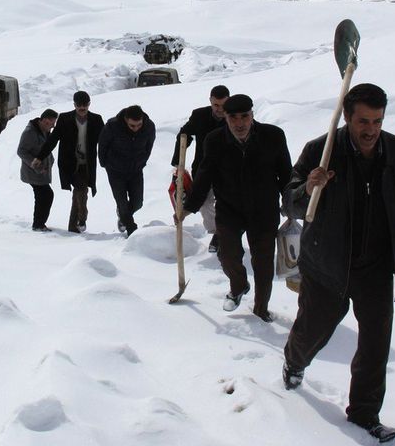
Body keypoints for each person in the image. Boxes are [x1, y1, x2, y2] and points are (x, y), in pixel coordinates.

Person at [281, 83, 395, 443]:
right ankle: (294, 362)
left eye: (377, 121)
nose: (370, 129)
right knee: (313, 330)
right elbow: (290, 206)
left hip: (378, 268)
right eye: (363, 121)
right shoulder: (321, 152)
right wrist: (309, 188)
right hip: (327, 265)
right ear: (347, 118)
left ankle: (364, 413)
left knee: (375, 345)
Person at [181, 94, 291, 322]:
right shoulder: (215, 140)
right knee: (227, 255)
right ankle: (239, 286)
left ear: (252, 115)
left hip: (263, 210)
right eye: (233, 118)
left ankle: (261, 308)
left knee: (262, 263)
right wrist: (188, 207)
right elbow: (204, 176)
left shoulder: (273, 136)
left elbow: (286, 174)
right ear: (225, 117)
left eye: (245, 116)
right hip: (229, 209)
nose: (239, 123)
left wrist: (291, 204)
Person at [35, 91, 105, 233]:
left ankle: (73, 227)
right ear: (74, 104)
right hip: (69, 164)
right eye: (79, 105)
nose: (82, 108)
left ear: (89, 104)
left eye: (84, 105)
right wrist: (40, 157)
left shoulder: (96, 120)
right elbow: (53, 140)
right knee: (81, 190)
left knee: (80, 192)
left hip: (87, 164)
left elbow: (104, 141)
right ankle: (82, 217)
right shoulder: (65, 119)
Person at [172, 84, 230, 252]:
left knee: (225, 203)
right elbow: (184, 133)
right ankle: (216, 232)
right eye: (215, 105)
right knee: (205, 204)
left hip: (228, 170)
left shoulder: (234, 116)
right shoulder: (200, 115)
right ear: (210, 102)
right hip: (203, 169)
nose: (219, 109)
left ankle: (223, 234)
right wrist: (179, 161)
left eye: (223, 105)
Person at [98, 105, 156, 236]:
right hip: (115, 170)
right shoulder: (113, 126)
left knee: (138, 202)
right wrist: (104, 163)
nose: (136, 128)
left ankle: (124, 215)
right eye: (132, 126)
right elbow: (102, 144)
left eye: (138, 125)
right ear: (125, 120)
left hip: (135, 169)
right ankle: (132, 230)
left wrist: (142, 161)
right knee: (122, 202)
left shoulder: (149, 126)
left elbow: (149, 146)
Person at [18, 109, 59, 231]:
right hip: (33, 172)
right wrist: (36, 165)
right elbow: (21, 151)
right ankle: (38, 224)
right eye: (52, 123)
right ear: (45, 120)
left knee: (44, 195)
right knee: (45, 195)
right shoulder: (30, 132)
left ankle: (39, 224)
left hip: (42, 172)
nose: (53, 125)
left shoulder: (44, 131)